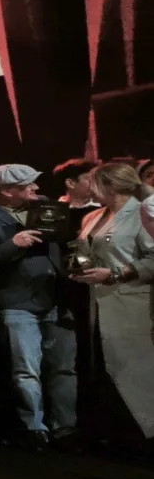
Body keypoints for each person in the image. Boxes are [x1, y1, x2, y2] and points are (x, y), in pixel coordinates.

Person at [0, 164, 76, 449]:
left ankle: (65, 428)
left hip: (56, 298)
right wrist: (13, 244)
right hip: (17, 301)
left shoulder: (44, 206)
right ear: (6, 191)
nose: (35, 188)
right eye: (28, 184)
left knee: (64, 368)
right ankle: (34, 429)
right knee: (26, 370)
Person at [72, 163, 154, 446]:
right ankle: (117, 435)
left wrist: (116, 273)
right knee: (106, 368)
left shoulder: (143, 214)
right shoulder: (93, 216)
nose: (88, 187)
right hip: (98, 303)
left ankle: (145, 436)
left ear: (111, 186)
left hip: (134, 303)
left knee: (136, 370)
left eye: (93, 182)